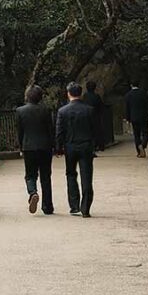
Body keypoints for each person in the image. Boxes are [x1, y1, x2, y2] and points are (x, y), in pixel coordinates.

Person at [55, 82, 96, 217]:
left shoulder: (62, 111)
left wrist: (58, 148)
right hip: (86, 145)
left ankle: (74, 205)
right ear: (80, 93)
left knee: (71, 174)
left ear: (68, 94)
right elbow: (95, 129)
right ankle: (86, 208)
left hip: (70, 146)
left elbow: (59, 131)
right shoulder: (89, 110)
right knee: (86, 176)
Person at [16, 84, 55, 215]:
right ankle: (47, 206)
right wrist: (54, 145)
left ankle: (33, 192)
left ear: (27, 96)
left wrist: (21, 147)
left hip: (28, 147)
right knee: (46, 176)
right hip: (45, 147)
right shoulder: (46, 110)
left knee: (30, 175)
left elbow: (20, 132)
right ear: (40, 97)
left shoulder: (20, 111)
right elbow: (51, 130)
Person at [125, 83, 148, 157]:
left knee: (136, 135)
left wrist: (128, 118)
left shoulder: (128, 95)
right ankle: (143, 145)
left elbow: (127, 108)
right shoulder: (143, 93)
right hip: (143, 116)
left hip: (134, 117)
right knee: (145, 132)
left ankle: (139, 152)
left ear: (131, 85)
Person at [83, 78, 106, 151]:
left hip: (86, 117)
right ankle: (98, 146)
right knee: (97, 132)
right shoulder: (96, 96)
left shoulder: (85, 96)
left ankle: (90, 147)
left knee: (88, 132)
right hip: (95, 116)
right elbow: (101, 106)